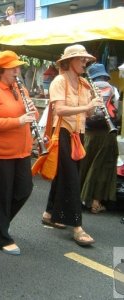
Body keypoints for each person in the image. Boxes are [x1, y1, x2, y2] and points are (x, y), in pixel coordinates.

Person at [41, 44, 103, 246]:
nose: (85, 62)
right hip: (63, 133)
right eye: (80, 59)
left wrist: (95, 104)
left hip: (79, 134)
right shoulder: (59, 81)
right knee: (72, 179)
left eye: (86, 59)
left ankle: (49, 214)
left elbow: (88, 114)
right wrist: (87, 106)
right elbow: (60, 110)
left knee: (64, 175)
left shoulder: (85, 84)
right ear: (69, 62)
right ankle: (77, 227)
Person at [0, 50, 38, 255]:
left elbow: (32, 115)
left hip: (21, 151)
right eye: (13, 68)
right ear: (1, 70)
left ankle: (1, 222)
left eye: (18, 67)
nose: (17, 71)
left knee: (24, 190)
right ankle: (2, 237)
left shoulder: (19, 89)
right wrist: (18, 121)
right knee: (1, 197)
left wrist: (31, 112)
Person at [80, 63, 119, 213]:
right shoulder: (112, 89)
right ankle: (96, 203)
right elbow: (117, 111)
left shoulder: (85, 88)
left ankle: (82, 198)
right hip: (107, 132)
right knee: (102, 167)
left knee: (86, 164)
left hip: (89, 133)